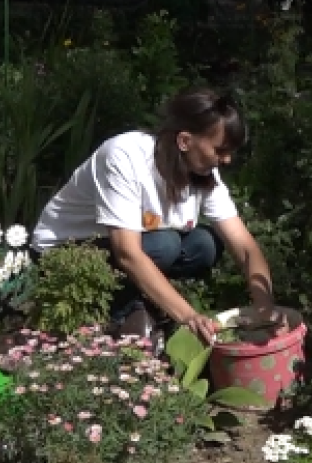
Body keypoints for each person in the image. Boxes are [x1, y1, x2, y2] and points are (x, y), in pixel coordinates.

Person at [31, 90, 277, 343]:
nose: (226, 159)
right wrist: (190, 317)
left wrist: (265, 309)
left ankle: (147, 299)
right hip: (62, 253)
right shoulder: (124, 156)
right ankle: (125, 313)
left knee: (205, 244)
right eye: (220, 150)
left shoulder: (203, 174)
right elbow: (128, 253)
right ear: (184, 141)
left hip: (128, 248)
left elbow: (245, 247)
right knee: (165, 245)